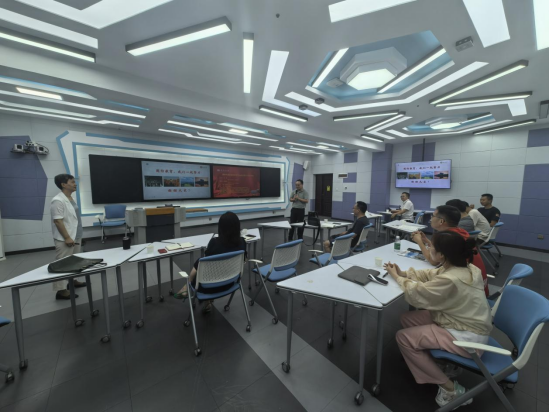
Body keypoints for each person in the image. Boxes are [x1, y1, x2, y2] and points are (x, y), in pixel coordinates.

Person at [385, 231, 492, 409]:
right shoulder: (466, 268)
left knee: (402, 337)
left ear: (442, 255)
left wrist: (397, 277)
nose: (429, 249)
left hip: (468, 338)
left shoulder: (451, 278)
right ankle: (440, 363)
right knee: (407, 319)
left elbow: (418, 293)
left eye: (431, 247)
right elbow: (431, 274)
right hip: (465, 322)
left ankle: (450, 389)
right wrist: (404, 273)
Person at [174, 212, 247, 313]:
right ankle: (205, 300)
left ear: (221, 227)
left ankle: (188, 285)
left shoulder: (214, 243)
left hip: (207, 287)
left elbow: (205, 263)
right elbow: (244, 261)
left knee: (200, 263)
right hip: (231, 284)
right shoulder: (242, 242)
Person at [411, 205, 489, 296]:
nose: (431, 219)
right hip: (478, 284)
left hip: (468, 290)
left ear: (441, 221)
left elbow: (433, 261)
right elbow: (442, 249)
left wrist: (419, 242)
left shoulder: (446, 237)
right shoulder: (458, 232)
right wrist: (427, 241)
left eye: (433, 216)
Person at [51, 174, 87, 300]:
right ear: (63, 184)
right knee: (62, 263)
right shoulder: (57, 200)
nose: (75, 184)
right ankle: (60, 290)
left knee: (74, 261)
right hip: (66, 237)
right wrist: (67, 237)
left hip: (76, 234)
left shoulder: (70, 198)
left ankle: (73, 281)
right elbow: (58, 221)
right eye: (72, 182)